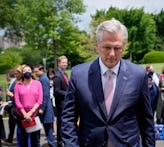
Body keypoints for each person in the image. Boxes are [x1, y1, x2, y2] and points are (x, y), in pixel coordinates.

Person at [61, 18, 155, 147]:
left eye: (117, 48)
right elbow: (68, 119)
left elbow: (146, 120)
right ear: (97, 45)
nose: (112, 54)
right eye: (107, 47)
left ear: (124, 46)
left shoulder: (138, 75)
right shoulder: (79, 74)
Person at [14, 65, 43, 147]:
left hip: (34, 115)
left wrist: (30, 113)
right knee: (24, 138)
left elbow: (40, 100)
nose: (27, 72)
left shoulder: (38, 83)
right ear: (22, 73)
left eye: (29, 70)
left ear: (32, 72)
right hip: (21, 116)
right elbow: (17, 101)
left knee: (35, 139)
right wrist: (25, 114)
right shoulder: (18, 85)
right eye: (25, 71)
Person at [33, 65, 55, 147]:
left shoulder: (43, 79)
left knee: (45, 128)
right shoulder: (42, 78)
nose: (35, 73)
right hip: (44, 108)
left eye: (36, 71)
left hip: (44, 109)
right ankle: (50, 144)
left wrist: (42, 108)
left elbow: (45, 95)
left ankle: (50, 144)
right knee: (46, 128)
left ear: (41, 70)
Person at [53, 55, 69, 147]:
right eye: (63, 62)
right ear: (59, 63)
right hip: (61, 104)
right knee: (60, 123)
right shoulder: (57, 76)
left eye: (66, 62)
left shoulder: (65, 74)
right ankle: (59, 142)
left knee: (65, 123)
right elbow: (57, 90)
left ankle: (64, 140)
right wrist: (68, 93)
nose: (65, 64)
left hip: (66, 103)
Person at [4, 69, 17, 144]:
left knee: (13, 123)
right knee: (11, 123)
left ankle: (10, 139)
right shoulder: (11, 83)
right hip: (10, 105)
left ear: (8, 75)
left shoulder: (15, 82)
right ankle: (10, 138)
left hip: (14, 106)